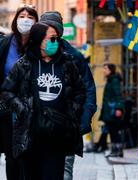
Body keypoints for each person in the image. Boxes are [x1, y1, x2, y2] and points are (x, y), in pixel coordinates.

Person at [1, 21, 86, 179]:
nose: (56, 42)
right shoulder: (24, 64)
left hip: (58, 134)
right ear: (39, 40)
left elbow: (80, 90)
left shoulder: (67, 63)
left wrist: (71, 111)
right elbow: (6, 91)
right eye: (51, 38)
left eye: (57, 39)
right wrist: (23, 110)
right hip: (31, 134)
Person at [40, 11, 97, 180]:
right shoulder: (31, 56)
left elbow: (88, 89)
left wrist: (85, 118)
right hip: (39, 127)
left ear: (59, 32)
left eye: (53, 30)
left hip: (67, 126)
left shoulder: (74, 57)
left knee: (64, 171)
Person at [0, 5, 38, 180]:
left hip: (33, 109)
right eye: (22, 16)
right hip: (6, 108)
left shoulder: (40, 44)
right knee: (11, 155)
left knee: (29, 156)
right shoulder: (6, 43)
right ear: (15, 20)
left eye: (30, 17)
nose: (25, 20)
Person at [99, 63, 125, 157]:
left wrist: (119, 108)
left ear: (110, 70)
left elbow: (119, 95)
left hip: (113, 111)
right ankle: (115, 150)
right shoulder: (110, 80)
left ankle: (117, 151)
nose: (104, 71)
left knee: (114, 131)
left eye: (105, 69)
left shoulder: (114, 80)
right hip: (109, 111)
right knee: (111, 131)